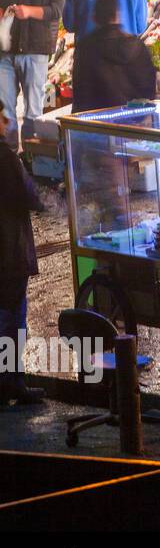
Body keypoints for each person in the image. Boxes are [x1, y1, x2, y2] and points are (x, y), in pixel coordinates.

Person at [0, 0, 66, 150]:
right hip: (6, 50)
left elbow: (56, 11)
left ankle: (30, 160)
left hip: (35, 49)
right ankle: (8, 161)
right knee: (6, 110)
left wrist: (28, 11)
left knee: (32, 112)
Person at [0, 111, 44, 404]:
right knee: (12, 319)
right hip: (9, 250)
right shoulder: (5, 157)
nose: (5, 120)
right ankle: (11, 382)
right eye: (1, 115)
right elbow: (31, 197)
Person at [70, 0, 155, 113]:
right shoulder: (137, 46)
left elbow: (81, 93)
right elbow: (149, 89)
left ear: (94, 17)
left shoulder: (85, 47)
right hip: (133, 122)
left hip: (97, 123)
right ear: (117, 15)